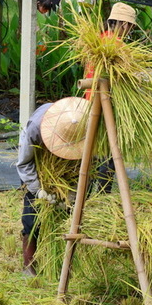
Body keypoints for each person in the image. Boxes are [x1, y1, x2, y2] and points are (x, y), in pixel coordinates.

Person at [16, 97, 89, 276]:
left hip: (68, 170)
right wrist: (38, 190)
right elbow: (24, 163)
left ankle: (64, 265)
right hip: (38, 169)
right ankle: (29, 264)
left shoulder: (88, 125)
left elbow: (88, 166)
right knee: (33, 218)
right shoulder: (35, 127)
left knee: (67, 216)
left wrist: (72, 193)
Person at [83, 2, 138, 192]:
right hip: (108, 104)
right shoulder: (117, 46)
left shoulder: (97, 41)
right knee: (109, 150)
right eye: (130, 26)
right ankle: (103, 192)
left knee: (93, 150)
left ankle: (86, 193)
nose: (129, 30)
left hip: (90, 101)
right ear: (124, 24)